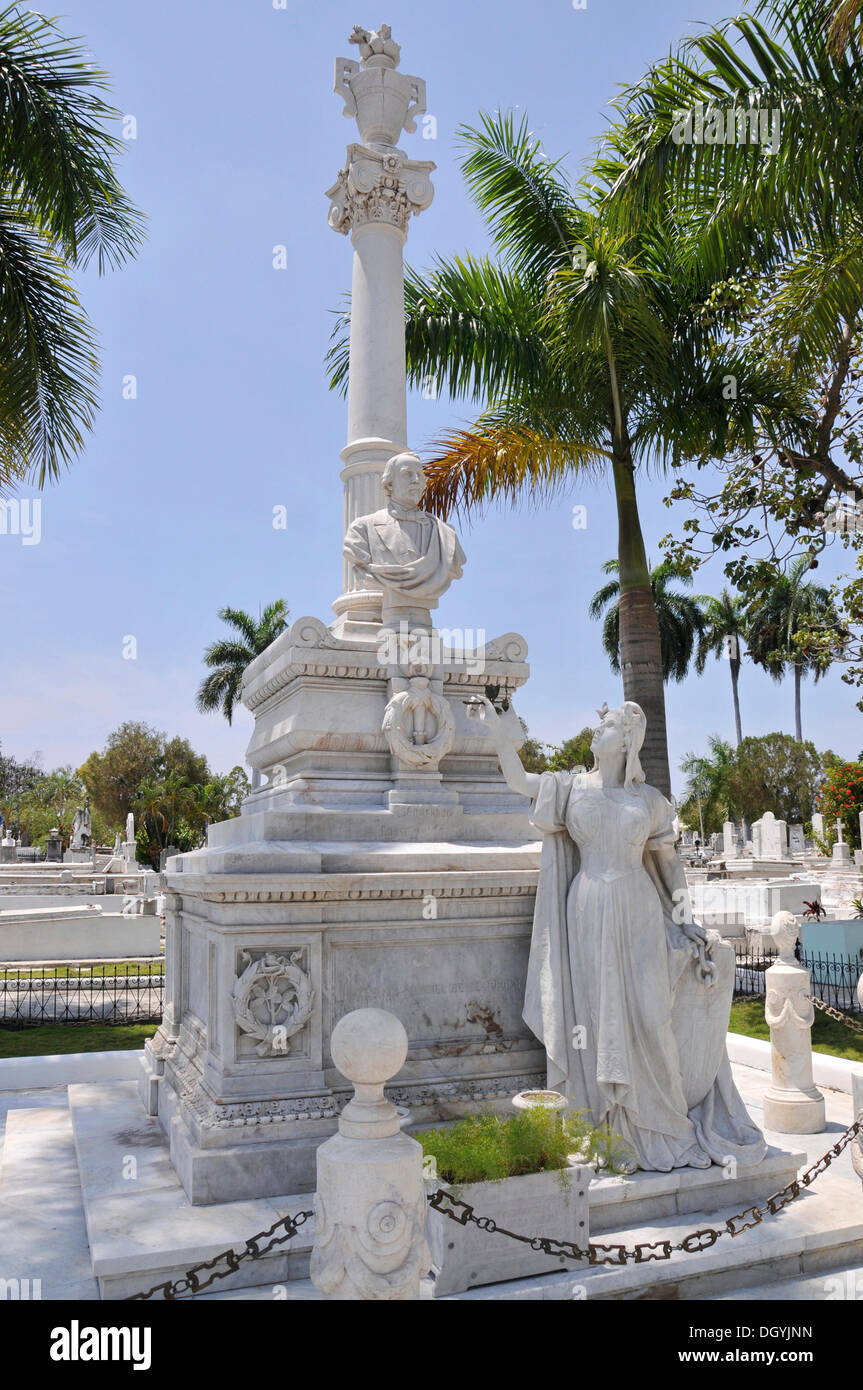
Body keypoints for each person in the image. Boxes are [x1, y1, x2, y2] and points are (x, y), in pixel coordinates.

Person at [470, 697, 766, 1172]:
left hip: (638, 909)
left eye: (606, 724)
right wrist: (501, 737)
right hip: (587, 907)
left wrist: (686, 919)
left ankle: (662, 1122)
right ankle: (603, 1126)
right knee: (593, 1017)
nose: (597, 728)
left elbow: (670, 866)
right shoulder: (569, 788)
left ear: (626, 741)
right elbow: (518, 782)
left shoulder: (648, 801)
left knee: (652, 1017)